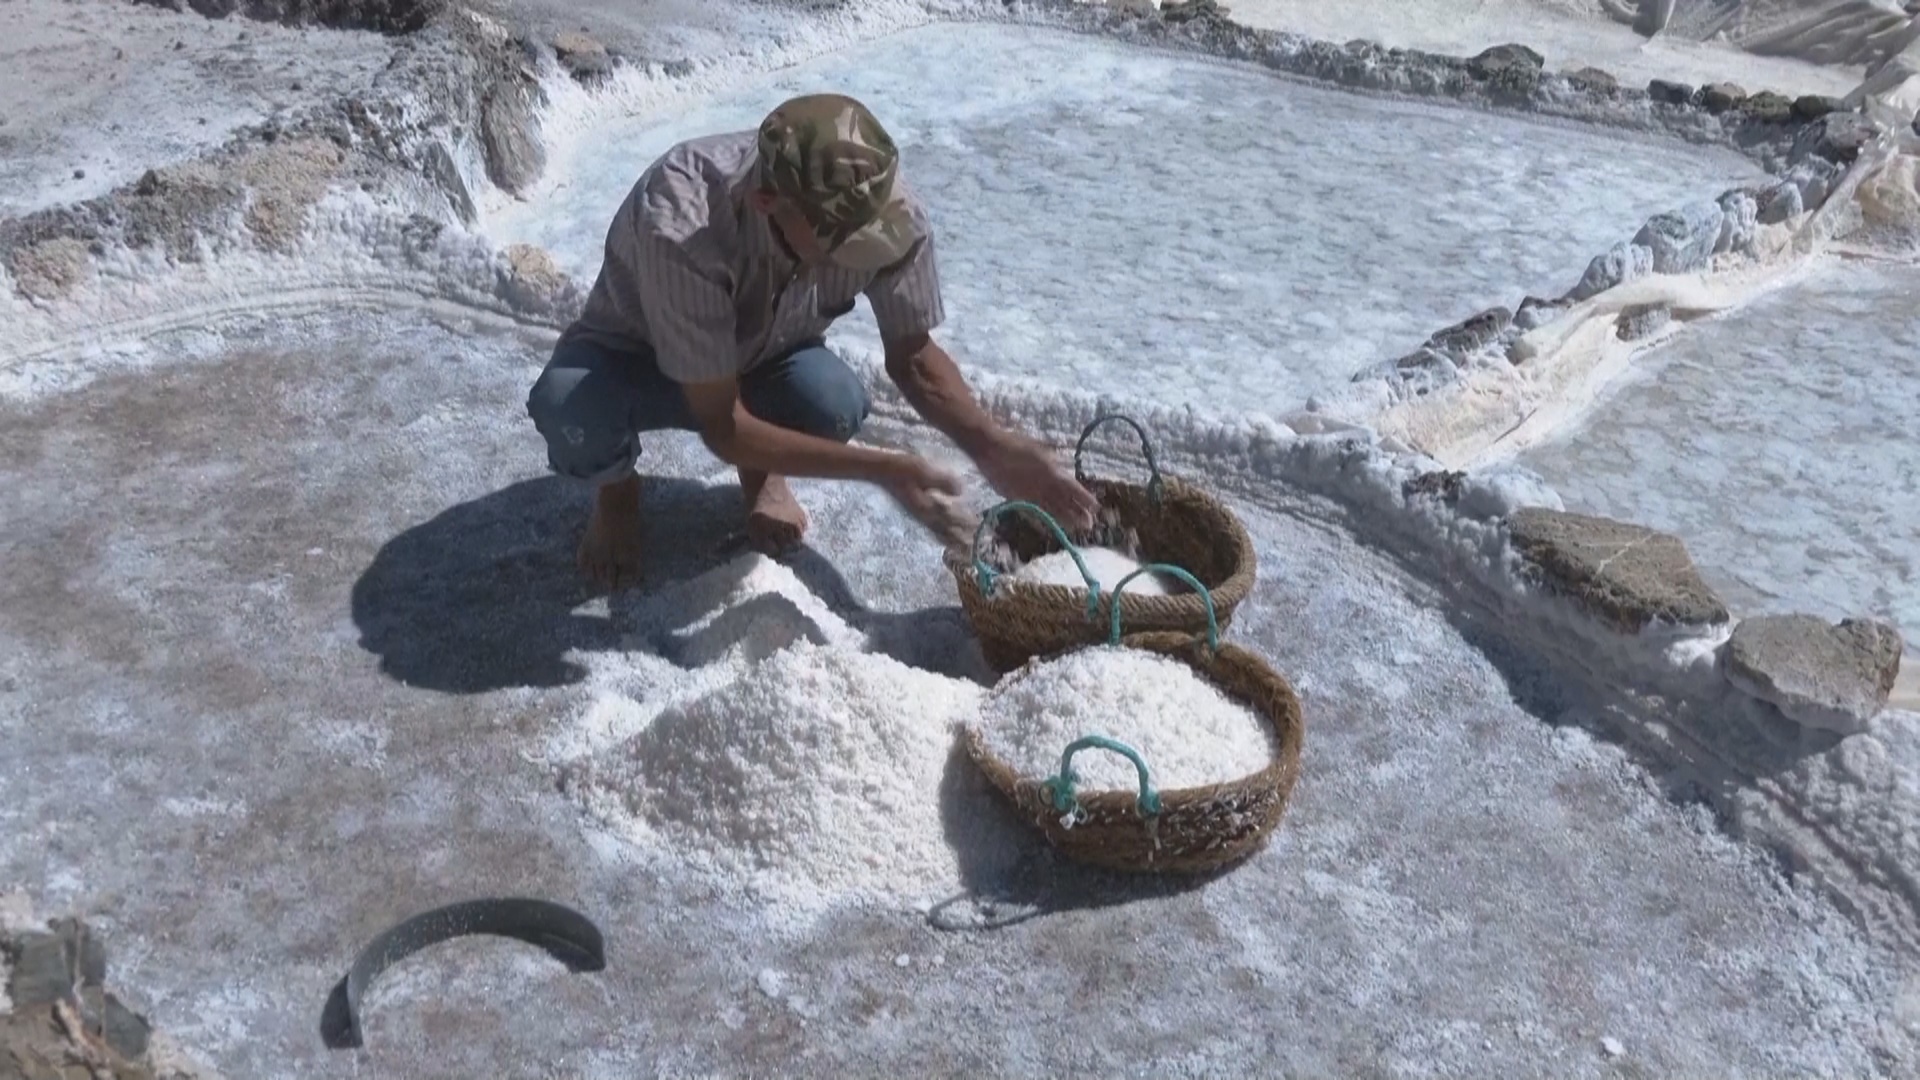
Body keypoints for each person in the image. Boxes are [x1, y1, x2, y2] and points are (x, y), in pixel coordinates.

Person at [526, 92, 1100, 589]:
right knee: (573, 411)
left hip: (764, 355)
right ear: (768, 202)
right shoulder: (683, 223)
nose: (867, 246)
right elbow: (722, 425)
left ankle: (763, 475)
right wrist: (884, 469)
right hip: (635, 358)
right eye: (845, 241)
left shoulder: (880, 202)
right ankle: (617, 492)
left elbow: (915, 359)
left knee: (837, 406)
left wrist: (991, 445)